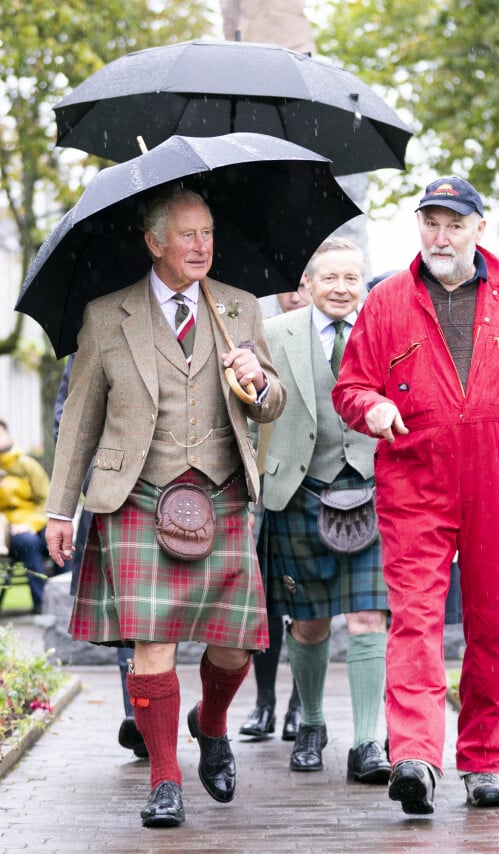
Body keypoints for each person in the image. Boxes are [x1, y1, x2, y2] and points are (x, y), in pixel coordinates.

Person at [45, 185, 286, 829]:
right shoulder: (105, 316)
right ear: (154, 244)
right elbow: (79, 423)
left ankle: (210, 723)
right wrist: (60, 509)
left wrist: (259, 380)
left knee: (237, 645)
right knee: (153, 646)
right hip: (137, 495)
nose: (202, 245)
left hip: (222, 494)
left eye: (207, 232)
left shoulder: (238, 309)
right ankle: (164, 780)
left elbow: (271, 403)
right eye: (187, 235)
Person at [332, 176, 499, 814]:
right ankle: (414, 758)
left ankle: (483, 763)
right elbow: (349, 387)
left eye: (454, 224)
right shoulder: (387, 301)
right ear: (419, 228)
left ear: (478, 229)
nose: (441, 235)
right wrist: (372, 406)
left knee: (495, 625)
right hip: (413, 479)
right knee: (417, 620)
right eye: (430, 222)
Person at [258, 237, 390, 784]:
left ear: (363, 283)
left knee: (368, 617)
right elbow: (253, 410)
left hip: (370, 493)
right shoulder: (270, 335)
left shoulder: (385, 333)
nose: (341, 288)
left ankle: (367, 741)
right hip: (299, 492)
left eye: (351, 279)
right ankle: (311, 723)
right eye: (329, 278)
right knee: (308, 624)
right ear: (306, 285)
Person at [53, 355, 148, 759]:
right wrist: (102, 474)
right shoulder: (96, 333)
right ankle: (140, 718)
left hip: (184, 496)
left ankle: (187, 714)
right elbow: (68, 420)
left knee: (172, 616)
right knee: (128, 614)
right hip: (113, 498)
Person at [239, 285, 312, 742]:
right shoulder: (260, 336)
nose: (298, 293)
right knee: (265, 604)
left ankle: (301, 707)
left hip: (318, 486)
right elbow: (245, 415)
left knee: (308, 607)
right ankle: (264, 704)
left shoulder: (338, 337)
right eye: (292, 286)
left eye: (307, 283)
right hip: (269, 483)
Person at [0, 420, 57, 613]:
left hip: (36, 520)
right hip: (8, 528)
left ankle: (65, 599)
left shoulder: (27, 465)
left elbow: (46, 499)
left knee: (57, 541)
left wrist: (31, 523)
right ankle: (41, 601)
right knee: (27, 542)